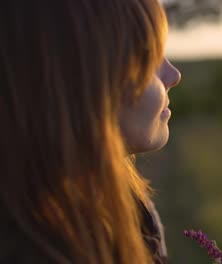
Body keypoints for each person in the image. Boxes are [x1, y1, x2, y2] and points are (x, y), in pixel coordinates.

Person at [0, 0, 181, 263]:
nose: (173, 75)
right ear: (82, 82)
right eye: (149, 57)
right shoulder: (33, 249)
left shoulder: (129, 210)